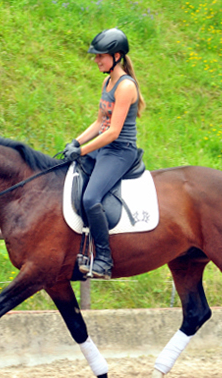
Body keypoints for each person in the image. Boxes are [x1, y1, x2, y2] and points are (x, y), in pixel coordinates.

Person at [63, 28, 146, 279]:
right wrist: (75, 142)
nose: (97, 60)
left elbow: (112, 132)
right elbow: (100, 122)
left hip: (120, 152)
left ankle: (104, 261)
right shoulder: (106, 81)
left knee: (90, 199)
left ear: (117, 56)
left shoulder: (125, 86)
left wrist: (82, 151)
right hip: (104, 148)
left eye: (101, 56)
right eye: (96, 56)